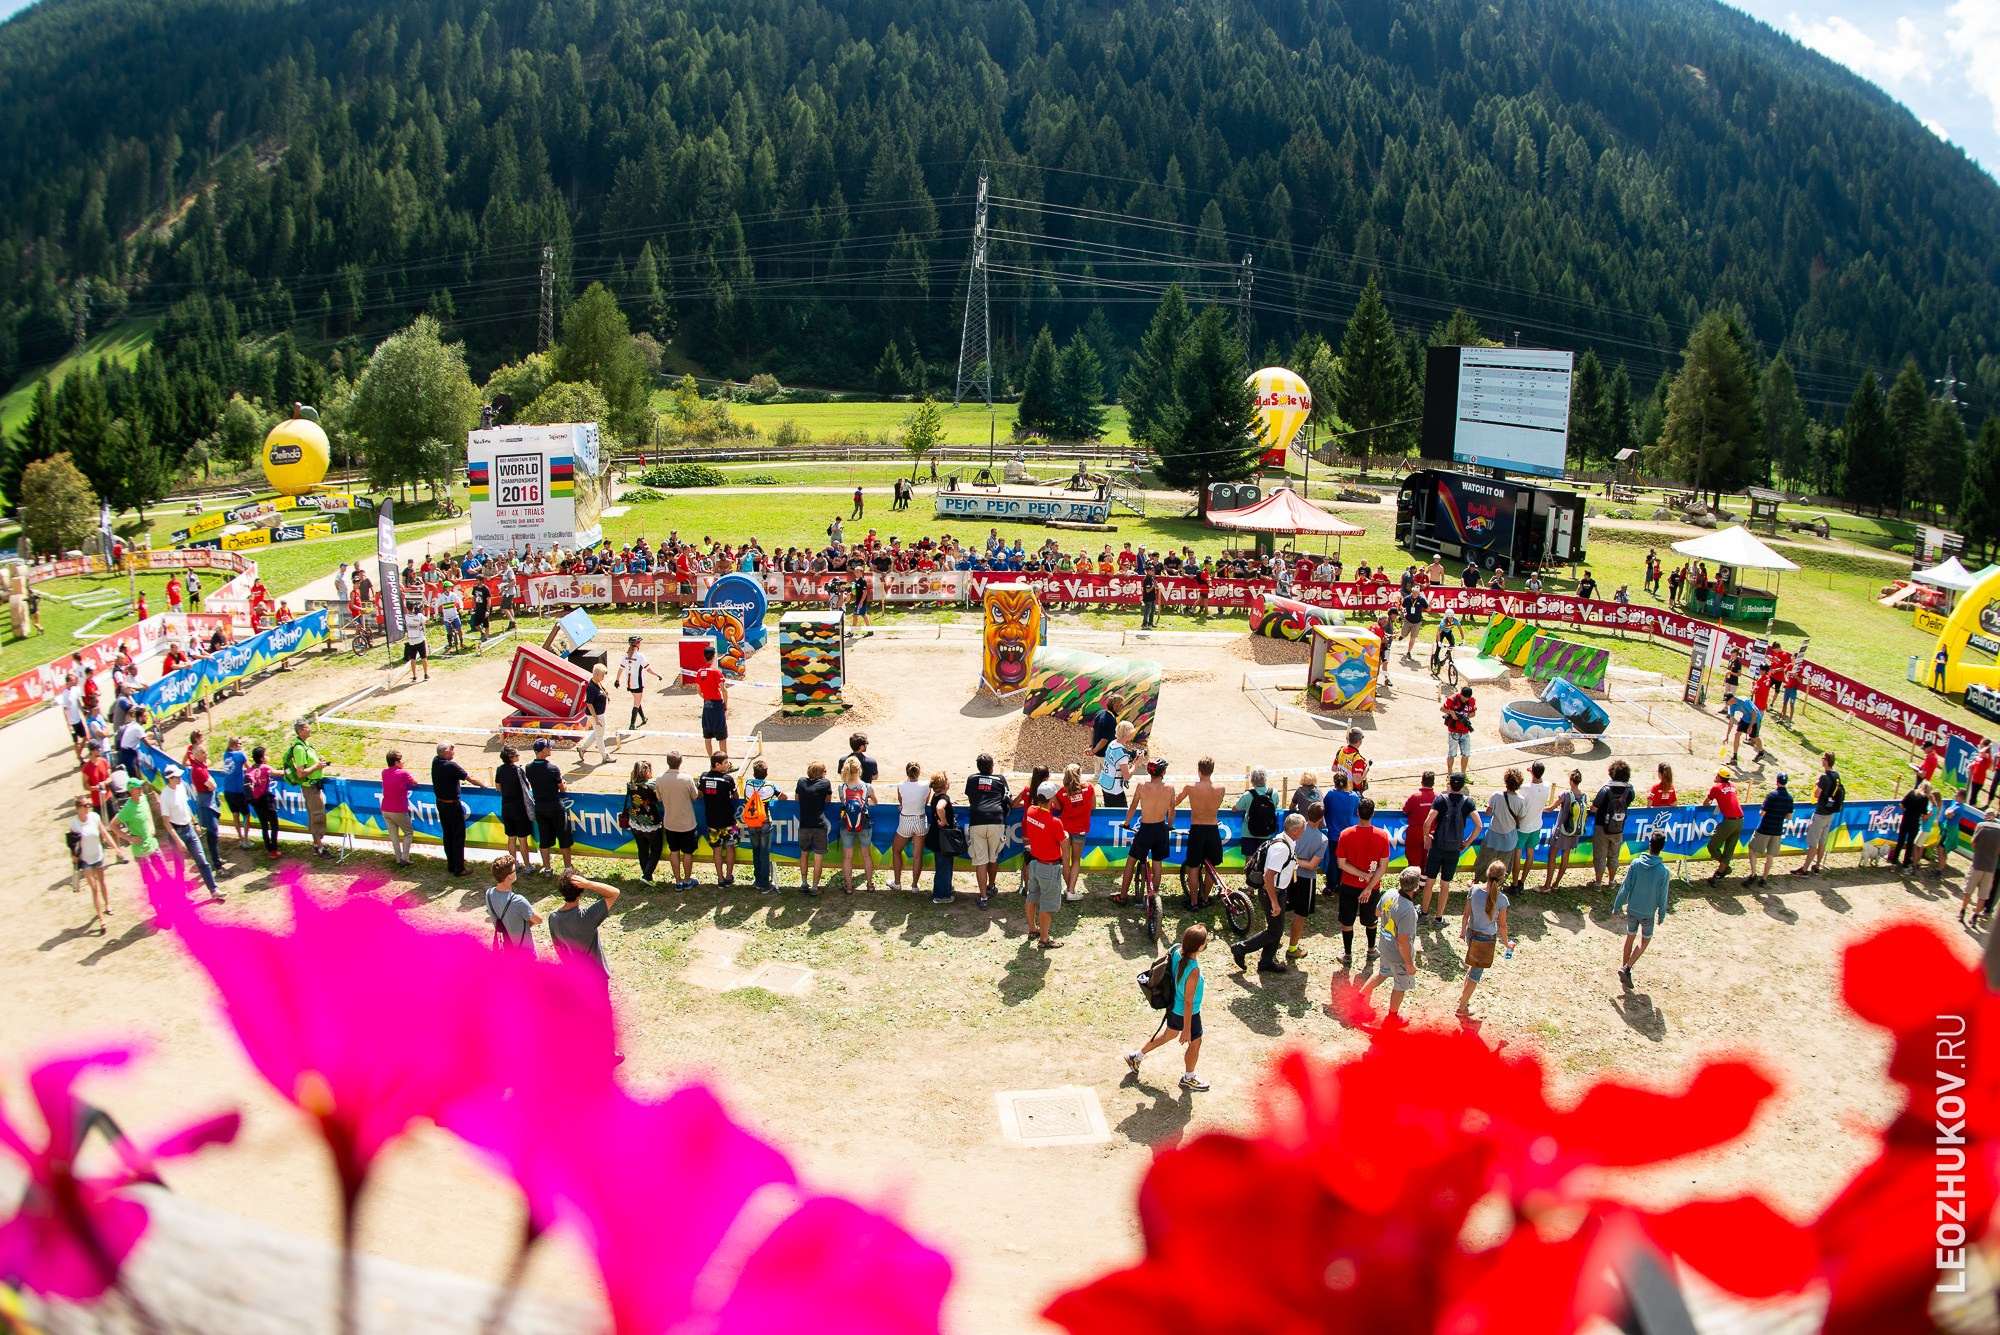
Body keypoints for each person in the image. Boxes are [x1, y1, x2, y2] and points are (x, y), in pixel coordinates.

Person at [1129, 924, 1211, 1091]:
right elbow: (1189, 1002)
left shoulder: (1175, 949)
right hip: (1188, 1013)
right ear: (1200, 946)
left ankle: (1136, 1057)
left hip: (1173, 1007)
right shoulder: (1193, 970)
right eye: (1206, 939)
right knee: (1195, 1043)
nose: (1207, 940)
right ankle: (1189, 1078)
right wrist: (1187, 1029)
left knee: (1169, 1034)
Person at [1233, 814, 1301, 974]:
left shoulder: (1284, 840)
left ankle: (1266, 961)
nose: (1304, 832)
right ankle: (1241, 949)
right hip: (1272, 893)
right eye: (1302, 829)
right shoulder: (1282, 848)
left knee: (1276, 927)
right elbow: (1268, 876)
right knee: (1275, 931)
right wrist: (1275, 902)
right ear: (1296, 830)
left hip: (1278, 892)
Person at [1358, 868, 1423, 1024]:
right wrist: (1409, 964)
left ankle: (1358, 998)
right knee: (1400, 984)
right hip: (1398, 954)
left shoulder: (1389, 893)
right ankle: (1392, 1018)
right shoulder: (1408, 910)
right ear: (1416, 887)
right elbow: (1403, 942)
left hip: (1385, 947)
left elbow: (1378, 913)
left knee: (1382, 973)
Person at [1333, 797, 1391, 969]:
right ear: (1373, 813)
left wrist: (1362, 875)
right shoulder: (1382, 836)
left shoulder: (1346, 834)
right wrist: (1369, 885)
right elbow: (1383, 866)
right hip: (1372, 887)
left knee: (1347, 921)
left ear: (1357, 812)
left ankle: (1348, 954)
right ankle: (1371, 950)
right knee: (1371, 920)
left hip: (1349, 885)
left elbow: (1341, 863)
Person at [1421, 772, 1482, 926]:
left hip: (1437, 846)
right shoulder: (1468, 802)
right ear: (1462, 786)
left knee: (1430, 881)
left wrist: (1426, 837)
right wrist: (1467, 843)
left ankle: (1424, 913)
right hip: (1454, 849)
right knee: (1445, 884)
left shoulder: (1441, 799)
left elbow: (1428, 822)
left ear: (1449, 784)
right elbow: (1479, 825)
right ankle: (1439, 918)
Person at [1613, 830, 1673, 983]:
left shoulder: (1636, 864)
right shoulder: (1663, 871)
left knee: (1630, 938)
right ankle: (1627, 968)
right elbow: (1663, 895)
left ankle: (1624, 968)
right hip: (1648, 913)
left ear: (1649, 845)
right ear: (1662, 847)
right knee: (1645, 940)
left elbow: (1625, 887)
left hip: (1632, 909)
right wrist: (1662, 913)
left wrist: (1616, 907)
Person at [157, 765, 221, 903]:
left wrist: (195, 823)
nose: (180, 778)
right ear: (170, 779)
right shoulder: (165, 796)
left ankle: (214, 890)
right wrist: (177, 840)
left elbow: (185, 807)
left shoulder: (181, 787)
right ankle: (182, 894)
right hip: (177, 832)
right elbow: (166, 822)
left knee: (202, 860)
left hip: (189, 829)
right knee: (179, 865)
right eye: (177, 776)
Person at [1456, 860, 1511, 1019]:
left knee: (1472, 967)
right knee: (1475, 975)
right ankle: (1462, 1008)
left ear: (1487, 873)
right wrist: (1507, 944)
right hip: (1485, 940)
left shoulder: (1473, 890)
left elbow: (1466, 915)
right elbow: (1502, 926)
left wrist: (1462, 930)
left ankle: (1464, 999)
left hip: (1471, 934)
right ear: (1502, 878)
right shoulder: (1502, 899)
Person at [549, 869, 621, 981]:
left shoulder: (553, 917)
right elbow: (614, 893)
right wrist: (589, 884)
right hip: (597, 977)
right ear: (582, 892)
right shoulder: (587, 917)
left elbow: (558, 947)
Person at [1021, 780, 1067, 948]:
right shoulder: (1055, 822)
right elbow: (1063, 841)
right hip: (1049, 866)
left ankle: (1033, 928)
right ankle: (1045, 938)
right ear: (1051, 799)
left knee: (1031, 897)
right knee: (1046, 904)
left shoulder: (1031, 811)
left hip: (1034, 863)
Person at [964, 752, 1011, 908]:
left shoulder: (971, 779)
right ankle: (991, 886)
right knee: (993, 856)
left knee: (981, 861)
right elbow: (1008, 799)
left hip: (977, 820)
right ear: (992, 767)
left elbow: (971, 799)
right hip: (996, 819)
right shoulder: (1000, 779)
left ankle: (983, 897)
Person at [1178, 758, 1225, 909]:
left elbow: (1175, 801)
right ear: (1212, 770)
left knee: (1193, 867)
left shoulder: (1190, 787)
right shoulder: (1220, 788)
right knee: (1211, 867)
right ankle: (1205, 898)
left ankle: (1193, 902)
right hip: (1212, 829)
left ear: (1199, 770)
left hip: (1197, 828)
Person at [283, 720, 334, 859]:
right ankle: (320, 848)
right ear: (300, 731)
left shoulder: (305, 745)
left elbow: (310, 763)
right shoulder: (299, 748)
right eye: (307, 728)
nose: (309, 729)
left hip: (314, 786)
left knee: (317, 813)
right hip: (310, 788)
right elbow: (301, 773)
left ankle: (318, 843)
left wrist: (319, 761)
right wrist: (316, 767)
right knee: (317, 816)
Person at [525, 739, 575, 876]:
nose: (551, 749)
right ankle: (568, 868)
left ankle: (547, 869)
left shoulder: (528, 768)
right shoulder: (553, 768)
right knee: (564, 839)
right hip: (555, 807)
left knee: (545, 840)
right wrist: (563, 782)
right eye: (549, 747)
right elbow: (562, 789)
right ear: (542, 751)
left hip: (540, 808)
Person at [432, 742, 483, 876]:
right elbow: (470, 778)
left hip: (441, 803)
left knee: (447, 834)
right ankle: (459, 868)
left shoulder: (435, 761)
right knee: (458, 836)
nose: (454, 752)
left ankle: (451, 864)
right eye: (452, 751)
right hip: (452, 805)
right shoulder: (451, 766)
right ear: (446, 753)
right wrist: (484, 786)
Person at [68, 794, 113, 935]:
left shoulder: (95, 817)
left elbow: (104, 833)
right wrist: (73, 856)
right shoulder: (74, 824)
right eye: (85, 805)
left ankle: (107, 904)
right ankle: (101, 919)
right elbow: (73, 843)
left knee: (102, 882)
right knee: (94, 889)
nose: (89, 807)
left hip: (97, 855)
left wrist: (116, 849)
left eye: (89, 805)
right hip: (85, 860)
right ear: (78, 808)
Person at [1796, 750, 1844, 876]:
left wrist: (1817, 786)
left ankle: (1804, 869)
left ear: (1826, 761)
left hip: (1821, 813)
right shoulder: (1836, 775)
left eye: (1823, 758)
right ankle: (1817, 866)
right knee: (1822, 841)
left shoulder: (1824, 777)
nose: (1821, 760)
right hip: (1830, 813)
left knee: (1813, 842)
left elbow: (1817, 794)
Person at [1589, 760, 1636, 887]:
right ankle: (1611, 881)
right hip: (1619, 827)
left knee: (1600, 857)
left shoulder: (1605, 789)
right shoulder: (1629, 791)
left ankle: (1598, 883)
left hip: (1601, 827)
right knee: (1614, 856)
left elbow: (1594, 808)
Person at [660, 751, 703, 890]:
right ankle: (687, 879)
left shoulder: (660, 779)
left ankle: (678, 881)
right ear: (681, 762)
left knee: (674, 851)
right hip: (687, 824)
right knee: (687, 852)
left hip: (670, 822)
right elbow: (695, 796)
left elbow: (659, 798)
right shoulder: (687, 778)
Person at [1053, 763, 1097, 900]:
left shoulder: (1061, 792)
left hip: (1064, 828)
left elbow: (1059, 807)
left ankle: (1069, 890)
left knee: (1065, 860)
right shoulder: (1088, 787)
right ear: (1080, 774)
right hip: (1080, 829)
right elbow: (1094, 807)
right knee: (1076, 860)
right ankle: (1071, 890)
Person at [1744, 772, 1796, 887]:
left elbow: (1762, 813)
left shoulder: (1772, 795)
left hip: (1765, 828)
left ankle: (1753, 874)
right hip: (1777, 830)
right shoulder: (1789, 798)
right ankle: (1764, 878)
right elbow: (1789, 817)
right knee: (1770, 855)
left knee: (1752, 848)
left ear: (1776, 781)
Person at [832, 755, 875, 892]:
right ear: (859, 770)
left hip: (847, 824)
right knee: (866, 855)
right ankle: (869, 884)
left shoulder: (842, 787)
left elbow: (843, 802)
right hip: (864, 823)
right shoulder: (867, 787)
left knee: (847, 857)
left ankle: (849, 887)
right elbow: (875, 802)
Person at [486, 855, 542, 952]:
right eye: (514, 870)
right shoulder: (518, 901)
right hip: (524, 953)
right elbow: (539, 920)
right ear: (509, 877)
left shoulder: (489, 894)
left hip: (503, 950)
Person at [740, 760, 780, 894]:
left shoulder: (748, 784)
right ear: (766, 774)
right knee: (764, 853)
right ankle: (764, 884)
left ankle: (758, 880)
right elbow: (783, 796)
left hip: (751, 822)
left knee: (756, 851)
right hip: (765, 822)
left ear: (753, 773)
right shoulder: (770, 785)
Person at [889, 761, 931, 891]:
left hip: (906, 820)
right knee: (917, 855)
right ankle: (914, 885)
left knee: (896, 850)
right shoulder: (926, 785)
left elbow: (901, 801)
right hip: (920, 820)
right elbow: (926, 802)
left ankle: (897, 882)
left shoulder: (901, 785)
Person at [1482, 768, 1527, 887]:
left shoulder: (1497, 796)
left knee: (1485, 861)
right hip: (1509, 838)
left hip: (1493, 835)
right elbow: (1521, 817)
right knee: (1503, 866)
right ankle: (1497, 887)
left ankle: (1481, 883)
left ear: (1506, 780)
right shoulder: (1521, 800)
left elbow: (1487, 812)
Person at [623, 760, 665, 885]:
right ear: (647, 772)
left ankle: (647, 875)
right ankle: (647, 876)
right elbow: (659, 798)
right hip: (651, 821)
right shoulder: (651, 786)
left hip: (635, 821)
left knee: (642, 849)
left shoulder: (630, 785)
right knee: (656, 850)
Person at [793, 759, 833, 895]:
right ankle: (815, 887)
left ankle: (804, 883)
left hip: (804, 824)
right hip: (819, 825)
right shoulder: (825, 783)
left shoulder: (801, 782)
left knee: (803, 854)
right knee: (818, 857)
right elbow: (828, 800)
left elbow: (797, 798)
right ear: (821, 773)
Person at [1958, 806, 2000, 924]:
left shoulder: (1981, 826)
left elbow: (1973, 844)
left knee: (1969, 890)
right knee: (1983, 894)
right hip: (1990, 867)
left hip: (1977, 863)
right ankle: (1975, 915)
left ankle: (1962, 911)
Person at [496, 745, 536, 870]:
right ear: (511, 758)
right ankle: (528, 866)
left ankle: (513, 864)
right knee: (522, 839)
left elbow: (498, 787)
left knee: (511, 838)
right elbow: (527, 787)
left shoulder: (499, 770)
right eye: (517, 755)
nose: (519, 756)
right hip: (519, 808)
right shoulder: (518, 770)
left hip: (506, 807)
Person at [1702, 766, 1745, 881]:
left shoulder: (1716, 787)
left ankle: (1723, 868)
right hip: (1740, 820)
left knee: (1712, 846)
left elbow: (1705, 803)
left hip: (1729, 821)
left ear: (1719, 778)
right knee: (1729, 850)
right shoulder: (1733, 786)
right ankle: (1718, 874)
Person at [1514, 761, 1549, 890]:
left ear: (1532, 772)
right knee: (1530, 855)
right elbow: (1542, 781)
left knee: (1517, 855)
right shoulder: (1547, 786)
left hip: (1523, 826)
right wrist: (1535, 773)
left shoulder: (1525, 788)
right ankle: (1522, 881)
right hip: (1536, 825)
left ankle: (1515, 883)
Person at [924, 772, 958, 903]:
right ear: (945, 784)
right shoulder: (943, 798)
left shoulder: (936, 796)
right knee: (944, 866)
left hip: (935, 837)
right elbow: (940, 808)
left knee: (942, 866)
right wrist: (943, 821)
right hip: (942, 838)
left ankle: (944, 890)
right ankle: (941, 895)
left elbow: (940, 804)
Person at [380, 749, 417, 866]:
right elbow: (414, 782)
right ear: (396, 762)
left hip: (385, 809)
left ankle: (398, 858)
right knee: (408, 832)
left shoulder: (384, 772)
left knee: (393, 835)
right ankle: (404, 858)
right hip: (398, 809)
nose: (403, 762)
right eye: (401, 761)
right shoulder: (403, 773)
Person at [692, 643, 729, 758]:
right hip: (717, 705)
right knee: (722, 736)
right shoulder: (716, 671)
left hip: (707, 705)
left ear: (704, 657)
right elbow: (724, 690)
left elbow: (698, 690)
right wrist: (725, 705)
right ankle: (725, 763)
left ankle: (711, 762)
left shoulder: (699, 672)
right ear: (714, 656)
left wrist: (706, 697)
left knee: (707, 737)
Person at [1401, 771, 1438, 882]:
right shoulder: (1438, 797)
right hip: (1431, 832)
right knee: (1426, 860)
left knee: (1413, 860)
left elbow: (1404, 810)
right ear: (1433, 783)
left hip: (1415, 832)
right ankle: (1422, 884)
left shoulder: (1415, 797)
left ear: (1422, 782)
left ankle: (1413, 885)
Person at [246, 745, 280, 857]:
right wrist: (291, 770)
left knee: (264, 825)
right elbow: (278, 773)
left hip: (255, 801)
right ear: (261, 758)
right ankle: (274, 849)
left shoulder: (251, 769)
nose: (267, 756)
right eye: (265, 754)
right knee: (274, 825)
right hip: (265, 800)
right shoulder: (265, 768)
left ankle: (269, 849)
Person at [577, 665, 613, 766]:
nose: (603, 677)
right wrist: (596, 719)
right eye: (602, 675)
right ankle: (605, 756)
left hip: (599, 713)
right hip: (596, 714)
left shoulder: (596, 683)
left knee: (597, 732)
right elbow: (589, 704)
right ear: (596, 675)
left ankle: (582, 748)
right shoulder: (591, 687)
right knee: (600, 735)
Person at [1894, 778, 1931, 870]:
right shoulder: (1924, 798)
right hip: (1914, 822)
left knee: (1900, 841)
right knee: (1910, 844)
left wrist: (1905, 813)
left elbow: (1901, 805)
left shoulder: (1912, 792)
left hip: (1905, 820)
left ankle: (1894, 862)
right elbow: (1924, 813)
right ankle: (1905, 865)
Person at [1098, 720, 1135, 810]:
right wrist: (1137, 763)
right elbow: (1127, 776)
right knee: (1120, 814)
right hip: (1115, 789)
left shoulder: (1112, 743)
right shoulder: (1122, 754)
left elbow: (1115, 761)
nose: (1132, 734)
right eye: (1131, 733)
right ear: (1126, 734)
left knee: (1109, 811)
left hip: (1105, 783)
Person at [1720, 692, 1765, 765]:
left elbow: (1754, 713)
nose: (1727, 703)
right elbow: (1731, 721)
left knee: (1754, 737)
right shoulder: (1732, 706)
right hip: (1746, 718)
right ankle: (1734, 757)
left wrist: (1750, 726)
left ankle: (1761, 752)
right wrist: (1727, 735)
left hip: (1755, 719)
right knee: (1737, 734)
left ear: (1732, 699)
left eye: (1727, 701)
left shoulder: (1744, 701)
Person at [1441, 685, 1477, 778]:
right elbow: (1442, 709)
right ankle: (1449, 774)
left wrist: (1467, 716)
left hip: (1465, 730)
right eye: (1464, 698)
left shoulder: (1472, 701)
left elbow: (1473, 713)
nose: (1465, 700)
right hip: (1453, 730)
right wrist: (1452, 712)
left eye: (1467, 699)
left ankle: (1463, 774)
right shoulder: (1452, 699)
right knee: (1452, 753)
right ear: (1460, 694)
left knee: (1466, 754)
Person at [400, 601, 430, 683]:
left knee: (413, 658)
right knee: (423, 657)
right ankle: (426, 674)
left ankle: (414, 676)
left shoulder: (405, 617)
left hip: (411, 640)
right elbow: (427, 621)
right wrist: (428, 611)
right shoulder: (419, 616)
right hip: (420, 639)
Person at [1090, 694, 1125, 763]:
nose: (1122, 707)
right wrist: (1093, 751)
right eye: (1121, 705)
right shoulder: (1111, 720)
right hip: (1104, 755)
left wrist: (1092, 747)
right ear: (1115, 706)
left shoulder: (1100, 713)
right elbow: (1104, 740)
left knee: (1097, 773)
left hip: (1096, 753)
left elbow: (1092, 730)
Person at [1332, 728, 1369, 793]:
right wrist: (1367, 768)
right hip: (1351, 792)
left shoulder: (1341, 750)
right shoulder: (1357, 759)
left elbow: (1334, 768)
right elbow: (1357, 781)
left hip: (1339, 788)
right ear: (1360, 741)